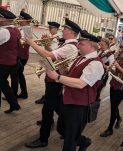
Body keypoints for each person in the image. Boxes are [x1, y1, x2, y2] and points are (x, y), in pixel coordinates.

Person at [24, 18, 79, 148]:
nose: (62, 30)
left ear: (70, 32)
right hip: (54, 79)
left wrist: (32, 43)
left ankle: (44, 139)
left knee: (47, 110)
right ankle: (67, 130)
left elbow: (47, 55)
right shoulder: (66, 44)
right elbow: (50, 53)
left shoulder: (70, 46)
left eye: (64, 29)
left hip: (56, 81)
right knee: (56, 108)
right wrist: (46, 42)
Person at [47, 30, 104, 151]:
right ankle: (84, 141)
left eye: (81, 44)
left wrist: (57, 77)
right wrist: (62, 65)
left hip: (79, 105)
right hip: (68, 100)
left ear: (90, 46)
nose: (78, 46)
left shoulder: (96, 64)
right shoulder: (80, 58)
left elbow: (81, 84)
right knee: (61, 129)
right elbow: (67, 74)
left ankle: (80, 142)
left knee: (69, 140)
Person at [100, 39, 123, 137]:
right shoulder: (119, 57)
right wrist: (109, 68)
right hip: (113, 83)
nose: (120, 49)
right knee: (113, 104)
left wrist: (118, 67)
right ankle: (118, 118)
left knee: (113, 107)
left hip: (122, 86)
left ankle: (110, 128)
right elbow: (114, 70)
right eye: (120, 46)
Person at [0, 8, 21, 118]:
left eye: (1, 18)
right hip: (11, 62)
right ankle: (14, 104)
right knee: (4, 83)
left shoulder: (4, 31)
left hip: (2, 62)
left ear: (5, 20)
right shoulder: (16, 30)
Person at [8, 11, 32, 100]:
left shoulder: (26, 29)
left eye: (20, 18)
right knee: (19, 74)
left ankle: (13, 95)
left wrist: (14, 28)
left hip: (21, 56)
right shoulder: (24, 28)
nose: (18, 20)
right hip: (22, 55)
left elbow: (18, 41)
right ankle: (24, 93)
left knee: (15, 75)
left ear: (25, 20)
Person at [35, 21, 61, 104]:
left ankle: (47, 97)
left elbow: (53, 51)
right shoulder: (51, 37)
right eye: (49, 28)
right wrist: (44, 41)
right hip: (48, 60)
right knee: (47, 80)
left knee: (49, 81)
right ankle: (46, 95)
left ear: (55, 29)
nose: (49, 30)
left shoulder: (58, 39)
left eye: (51, 28)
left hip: (53, 61)